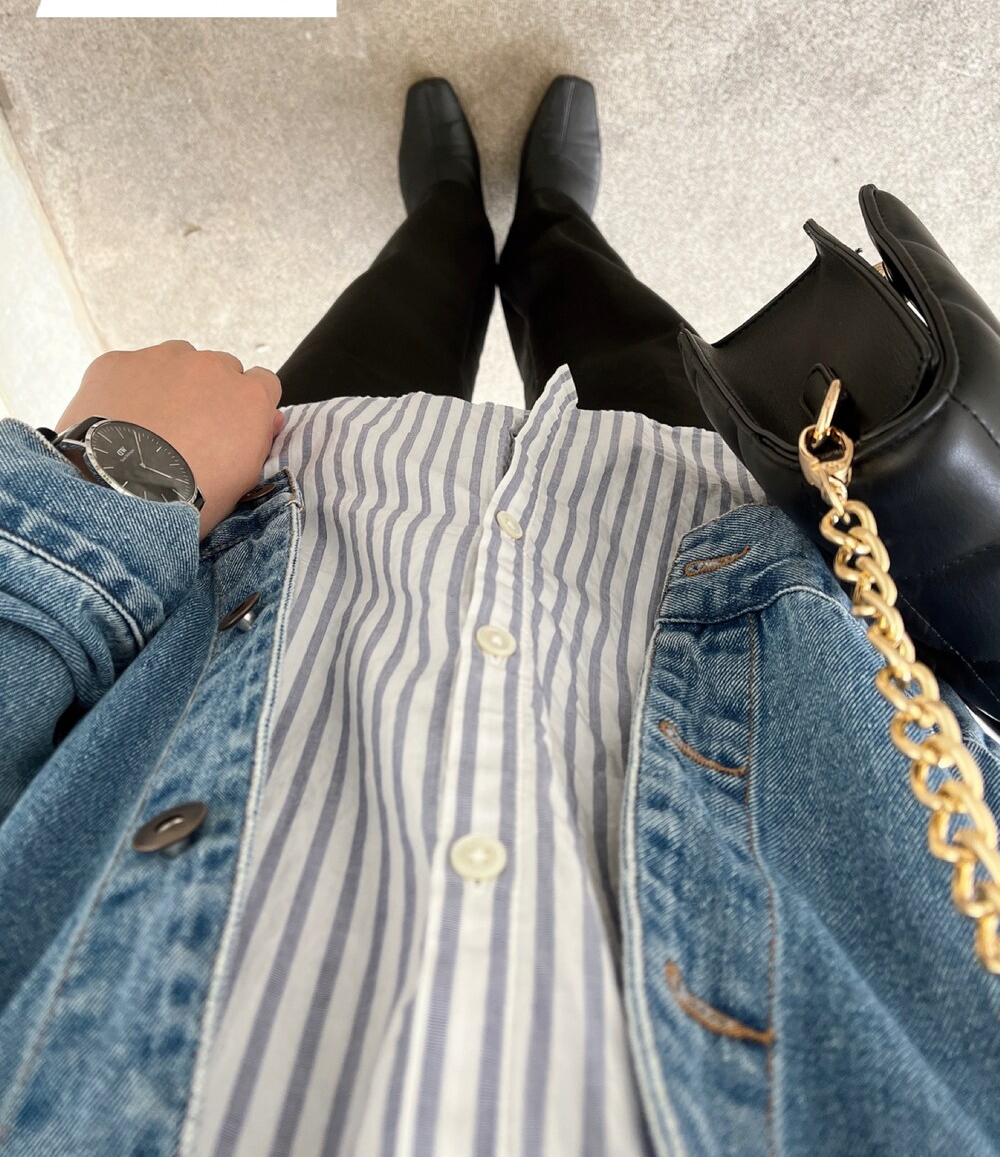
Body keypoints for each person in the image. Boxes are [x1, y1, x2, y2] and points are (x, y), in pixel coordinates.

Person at [0, 75, 998, 1157]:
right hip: (717, 549)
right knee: (611, 320)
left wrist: (108, 488)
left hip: (291, 542)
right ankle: (553, 227)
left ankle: (447, 220)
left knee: (397, 311)